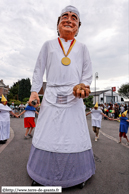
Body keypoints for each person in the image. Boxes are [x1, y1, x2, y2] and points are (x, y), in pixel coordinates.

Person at [27, 5, 95, 188]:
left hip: (74, 97)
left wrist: (83, 86)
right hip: (51, 95)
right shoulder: (48, 45)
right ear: (58, 24)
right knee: (48, 134)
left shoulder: (82, 47)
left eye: (74, 18)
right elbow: (38, 70)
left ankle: (78, 175)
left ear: (78, 27)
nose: (69, 19)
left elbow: (87, 73)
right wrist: (35, 91)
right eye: (65, 16)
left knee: (73, 136)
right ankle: (41, 174)